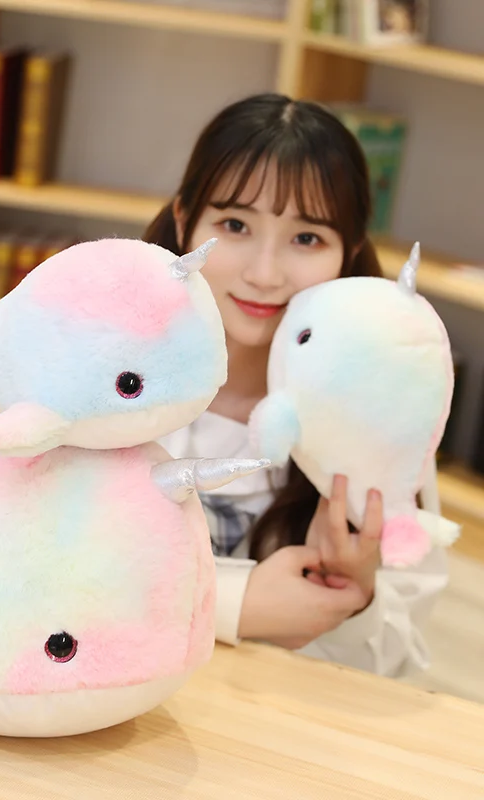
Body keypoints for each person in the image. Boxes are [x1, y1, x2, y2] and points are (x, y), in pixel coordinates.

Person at [144, 92, 450, 678]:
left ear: (348, 253)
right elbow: (30, 571)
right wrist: (237, 605)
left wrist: (355, 598)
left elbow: (398, 664)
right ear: (185, 220)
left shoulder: (387, 418)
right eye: (235, 225)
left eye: (306, 238)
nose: (265, 273)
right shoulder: (107, 373)